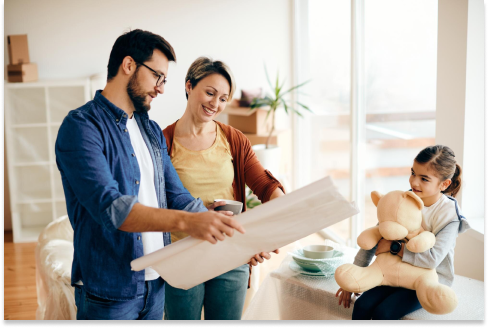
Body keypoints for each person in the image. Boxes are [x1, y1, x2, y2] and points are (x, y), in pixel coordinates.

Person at [55, 30, 245, 320]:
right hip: (109, 292)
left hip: (156, 285)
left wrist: (224, 227)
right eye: (158, 76)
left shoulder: (150, 130)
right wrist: (190, 221)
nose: (161, 88)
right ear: (128, 65)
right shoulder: (81, 127)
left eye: (165, 79)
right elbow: (112, 208)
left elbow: (176, 195)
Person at [162, 57, 286, 320]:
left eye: (223, 98)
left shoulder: (233, 139)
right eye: (209, 93)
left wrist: (275, 222)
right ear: (188, 86)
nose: (215, 104)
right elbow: (153, 202)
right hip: (182, 255)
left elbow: (265, 186)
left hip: (230, 254)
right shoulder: (164, 142)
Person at [335, 145, 470, 320]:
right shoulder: (402, 200)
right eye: (413, 173)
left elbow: (432, 259)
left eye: (424, 178)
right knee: (362, 305)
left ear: (444, 184)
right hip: (393, 270)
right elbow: (376, 235)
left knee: (383, 313)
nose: (414, 182)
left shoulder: (450, 216)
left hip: (426, 279)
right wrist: (353, 277)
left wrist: (394, 248)